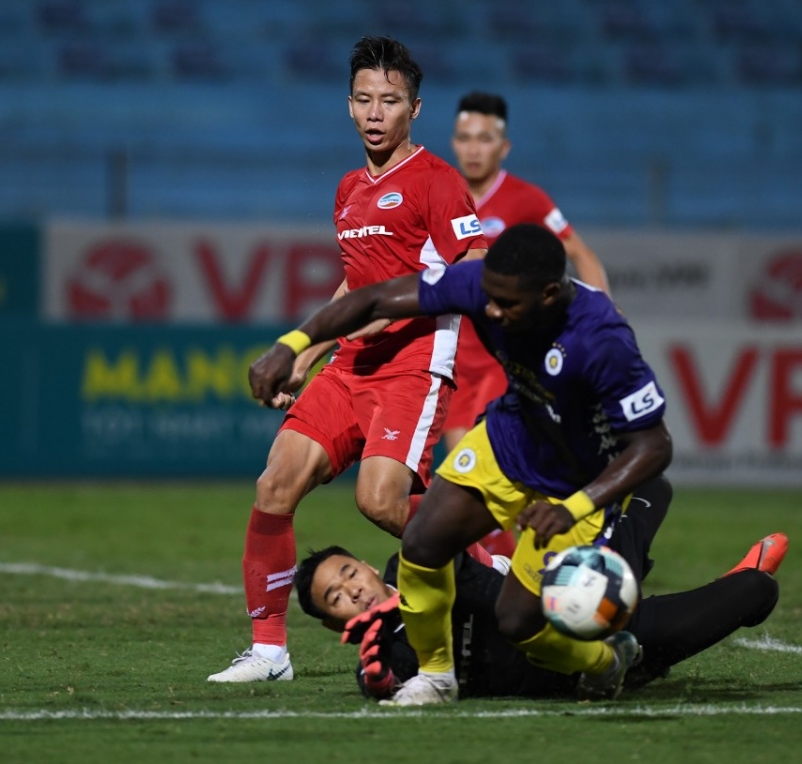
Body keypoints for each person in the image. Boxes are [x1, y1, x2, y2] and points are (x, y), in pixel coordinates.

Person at [248, 224, 671, 704]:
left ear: (549, 294)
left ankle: (606, 660)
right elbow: (376, 300)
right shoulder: (484, 284)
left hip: (572, 479)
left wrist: (573, 508)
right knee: (423, 540)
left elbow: (654, 446)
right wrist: (292, 345)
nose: (490, 311)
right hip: (508, 440)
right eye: (488, 296)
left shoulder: (602, 339)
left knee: (518, 621)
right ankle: (436, 675)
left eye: (506, 304)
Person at [208, 36, 488, 683]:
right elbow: (355, 287)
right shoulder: (348, 190)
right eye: (364, 99)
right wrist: (311, 353)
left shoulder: (438, 182)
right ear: (348, 106)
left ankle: (494, 568)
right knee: (275, 482)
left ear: (414, 109)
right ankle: (270, 652)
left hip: (415, 361)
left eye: (389, 101)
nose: (375, 112)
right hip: (352, 365)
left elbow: (471, 270)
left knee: (382, 502)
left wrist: (393, 311)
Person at [294, 475, 788, 700]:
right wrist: (377, 684)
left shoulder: (414, 564)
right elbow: (387, 678)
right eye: (335, 597)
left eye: (347, 575)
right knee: (756, 592)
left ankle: (620, 571)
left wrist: (561, 612)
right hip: (592, 675)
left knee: (653, 487)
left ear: (363, 564)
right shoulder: (382, 658)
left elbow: (491, 589)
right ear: (331, 623)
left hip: (568, 603)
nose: (352, 591)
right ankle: (732, 581)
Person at [448, 91, 610, 558]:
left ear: (504, 147)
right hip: (456, 360)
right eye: (465, 138)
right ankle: (519, 572)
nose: (474, 148)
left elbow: (580, 254)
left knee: (491, 470)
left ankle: (551, 565)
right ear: (454, 144)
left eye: (485, 139)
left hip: (508, 360)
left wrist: (602, 321)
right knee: (475, 483)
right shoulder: (441, 191)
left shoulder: (525, 198)